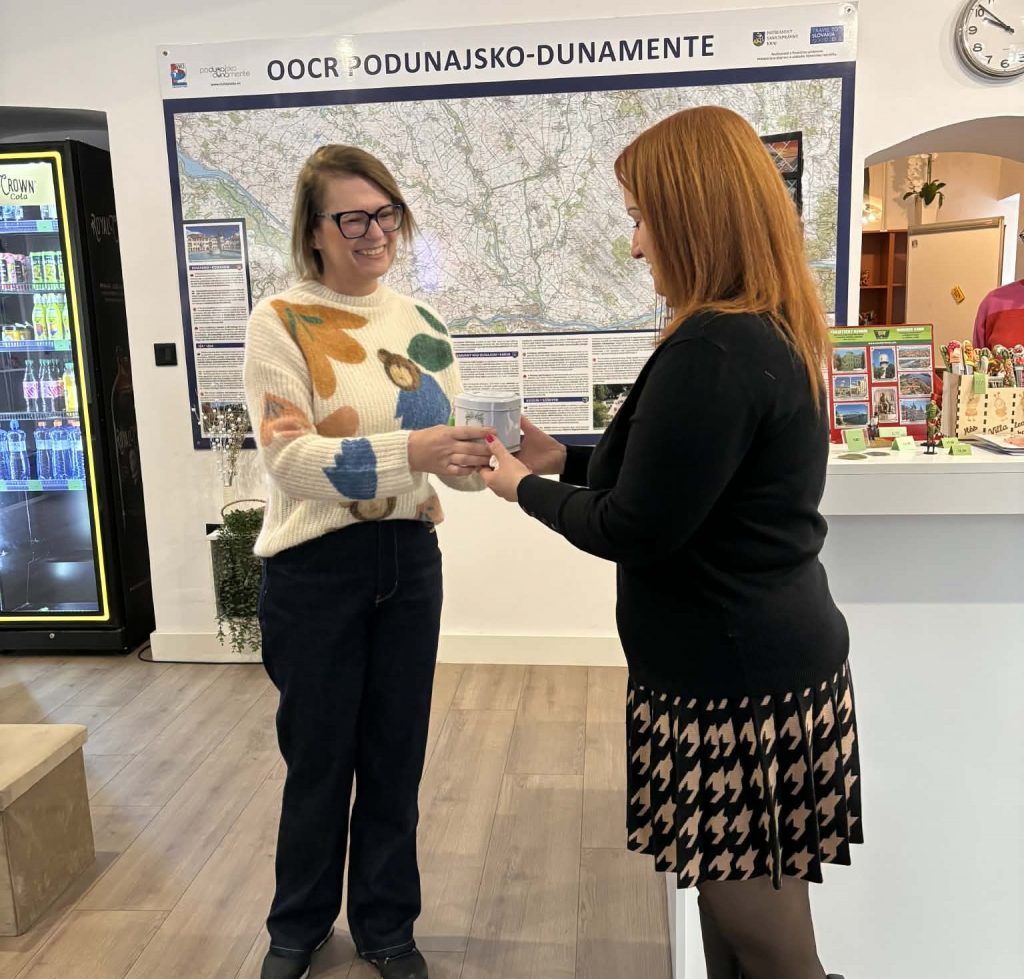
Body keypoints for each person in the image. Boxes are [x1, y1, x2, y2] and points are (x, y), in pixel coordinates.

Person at [480, 106, 860, 979]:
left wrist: (520, 487)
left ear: (695, 218)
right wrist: (565, 461)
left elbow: (637, 526)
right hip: (755, 669)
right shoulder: (763, 327)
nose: (636, 247)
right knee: (737, 930)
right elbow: (683, 479)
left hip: (735, 687)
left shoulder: (713, 347)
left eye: (642, 219)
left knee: (772, 947)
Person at [243, 145, 492, 979]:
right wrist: (413, 449)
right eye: (353, 217)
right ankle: (298, 926)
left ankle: (387, 925)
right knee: (318, 760)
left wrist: (480, 457)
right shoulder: (280, 320)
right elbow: (289, 459)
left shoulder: (423, 322)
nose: (375, 231)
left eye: (386, 214)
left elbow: (441, 457)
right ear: (314, 231)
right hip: (315, 568)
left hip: (410, 559)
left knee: (395, 757)